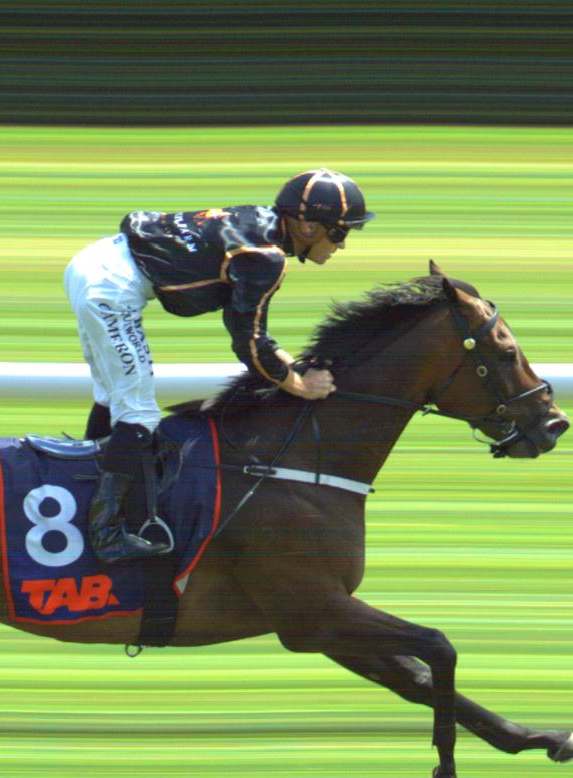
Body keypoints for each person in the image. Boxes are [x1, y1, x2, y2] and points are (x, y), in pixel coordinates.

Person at [63, 170, 367, 561]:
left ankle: (83, 494)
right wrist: (300, 386)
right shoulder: (266, 257)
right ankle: (104, 534)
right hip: (110, 288)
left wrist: (293, 367)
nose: (342, 244)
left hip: (94, 261)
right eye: (340, 232)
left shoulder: (260, 224)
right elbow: (248, 341)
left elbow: (252, 335)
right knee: (138, 416)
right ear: (308, 226)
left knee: (113, 396)